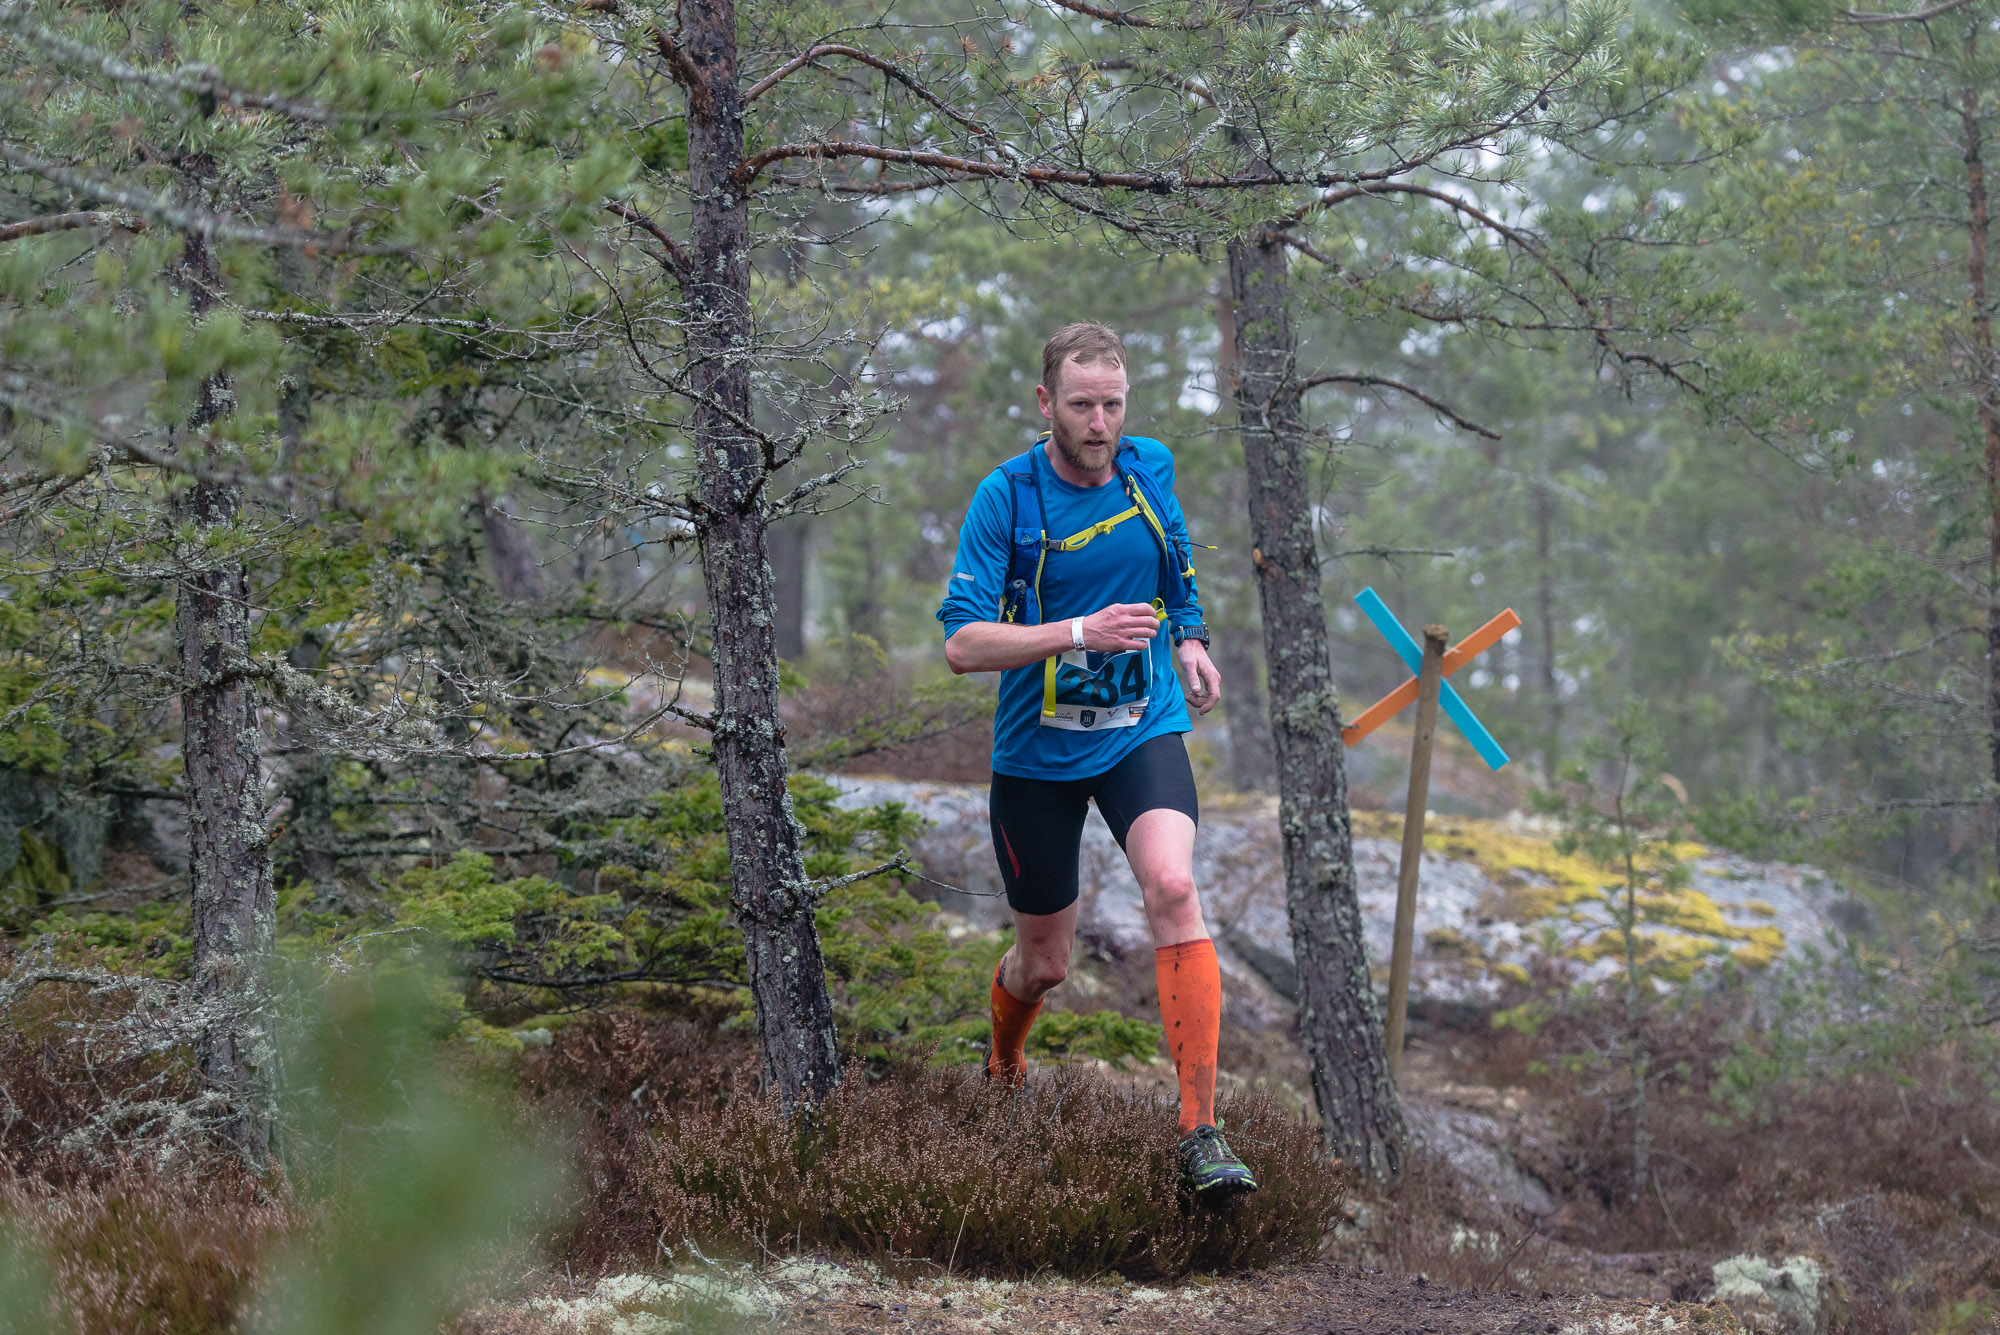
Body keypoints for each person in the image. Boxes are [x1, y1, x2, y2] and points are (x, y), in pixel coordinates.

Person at [935, 322, 1255, 1196]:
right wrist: (1080, 631)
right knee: (1044, 963)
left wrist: (1189, 637)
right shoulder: (1006, 496)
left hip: (1138, 728)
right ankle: (1004, 1060)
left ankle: (1199, 1131)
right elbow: (963, 644)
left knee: (1174, 886)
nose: (1101, 424)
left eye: (1113, 404)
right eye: (1082, 405)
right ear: (1047, 402)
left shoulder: (1150, 469)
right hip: (1037, 753)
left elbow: (1174, 560)